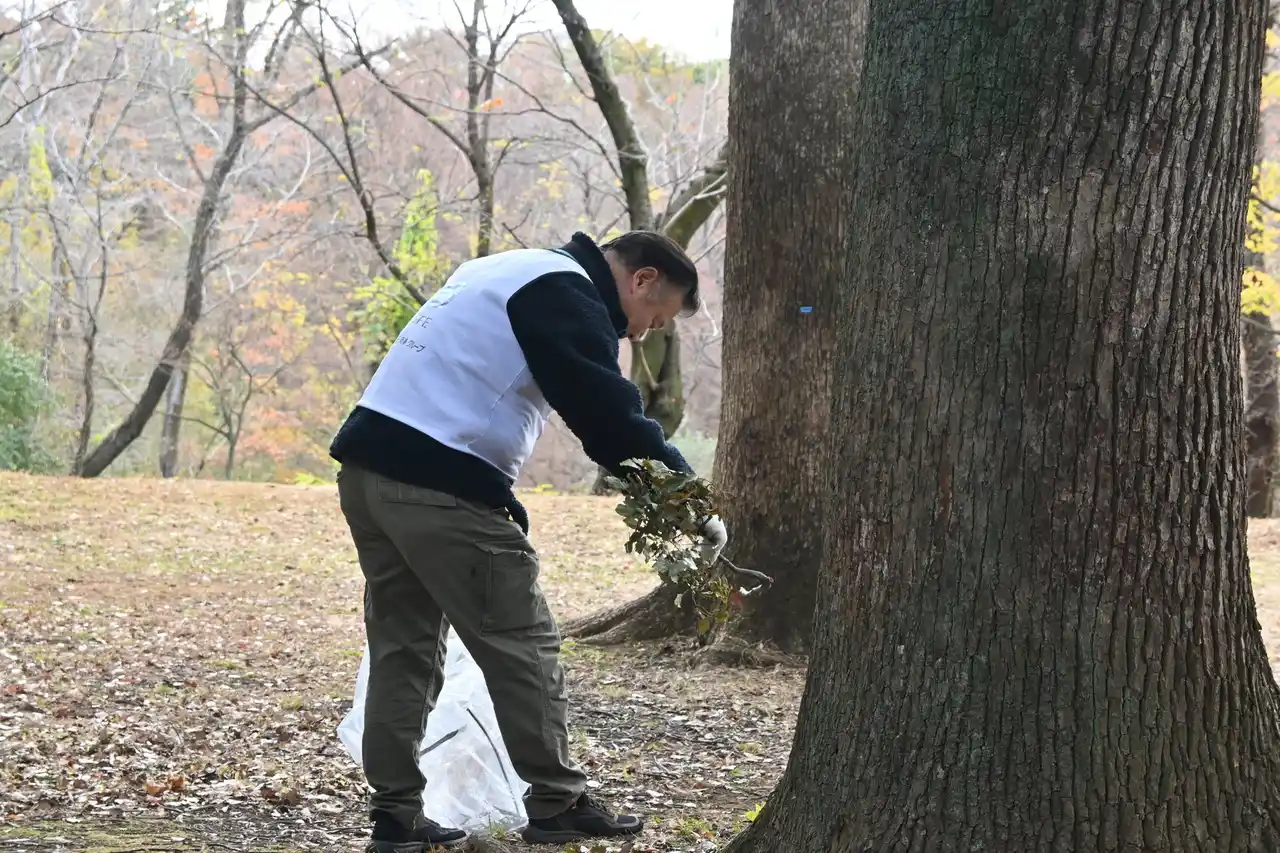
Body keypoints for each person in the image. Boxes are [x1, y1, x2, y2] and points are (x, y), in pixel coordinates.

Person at [329, 230, 729, 852]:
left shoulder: (506, 269)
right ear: (643, 279)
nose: (640, 333)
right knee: (523, 643)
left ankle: (396, 816)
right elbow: (605, 414)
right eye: (654, 317)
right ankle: (556, 801)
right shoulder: (564, 291)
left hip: (368, 473)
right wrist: (684, 497)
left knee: (404, 647)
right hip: (440, 482)